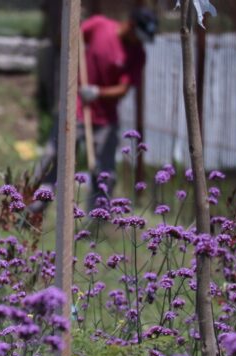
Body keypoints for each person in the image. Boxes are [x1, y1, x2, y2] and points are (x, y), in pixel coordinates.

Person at [29, 8, 158, 213]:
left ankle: (96, 222)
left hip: (106, 120)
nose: (140, 42)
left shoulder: (138, 54)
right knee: (52, 156)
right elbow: (68, 39)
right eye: (139, 37)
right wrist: (71, 28)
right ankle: (32, 204)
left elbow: (123, 89)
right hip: (76, 109)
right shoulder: (99, 26)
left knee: (104, 172)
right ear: (131, 26)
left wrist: (98, 93)